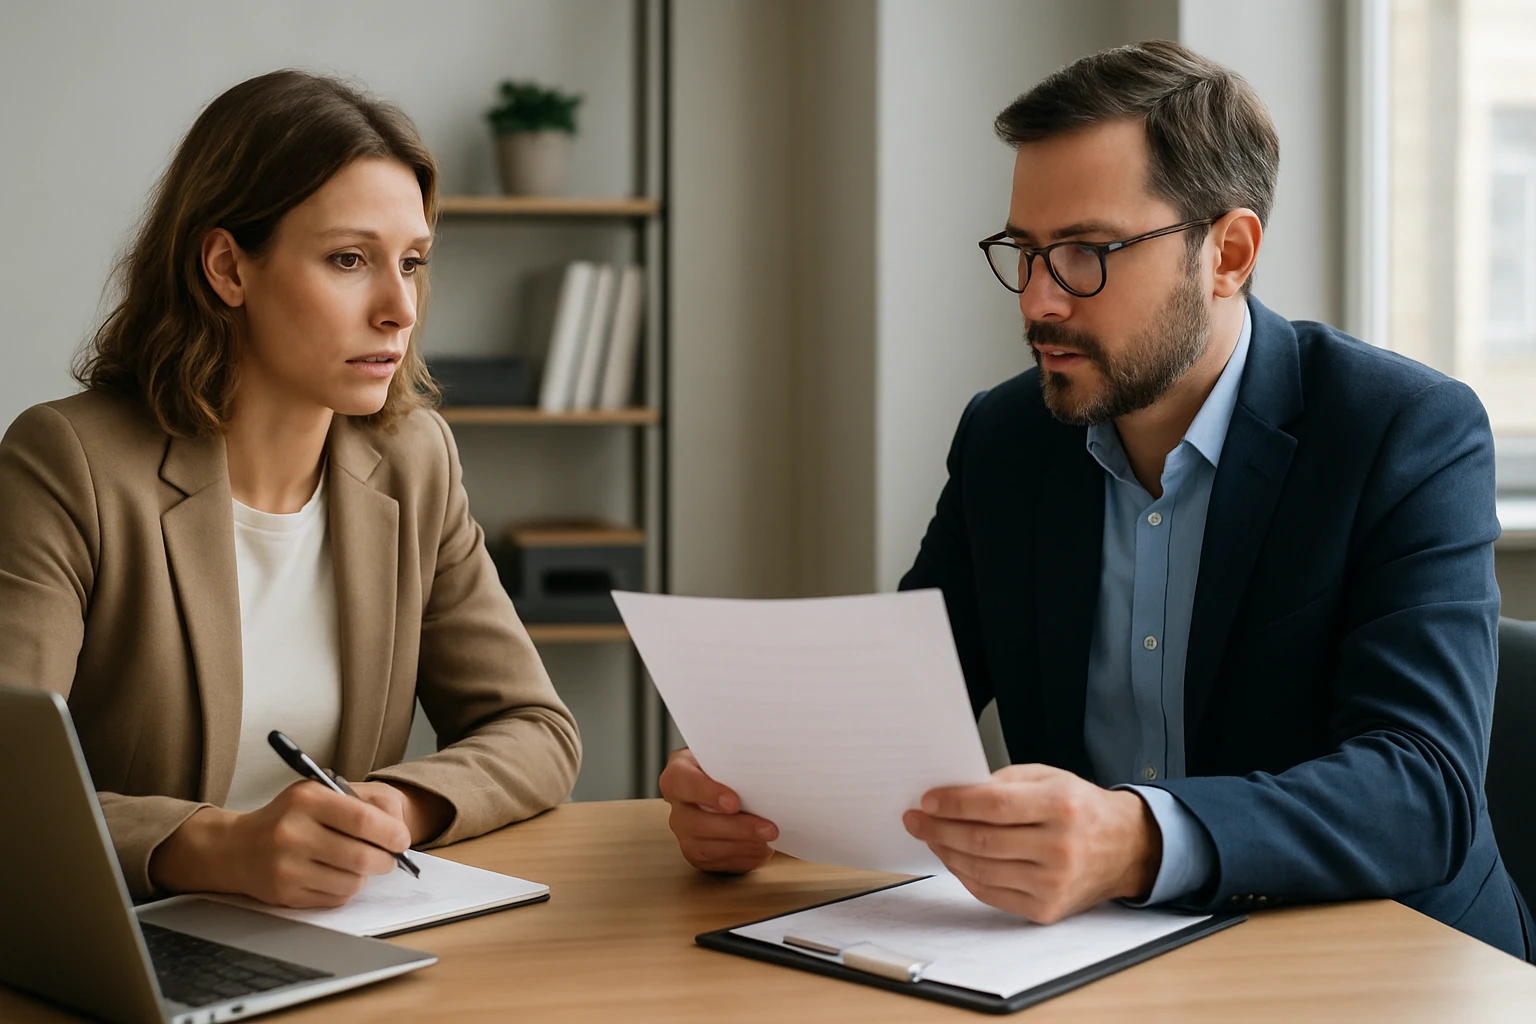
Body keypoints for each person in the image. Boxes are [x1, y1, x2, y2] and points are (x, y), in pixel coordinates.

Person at [659, 40, 1533, 961]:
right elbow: (900, 705)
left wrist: (1135, 838)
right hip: (1098, 957)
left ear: (1227, 253)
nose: (1039, 300)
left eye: (1086, 253)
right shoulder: (1007, 439)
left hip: (1385, 961)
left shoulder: (1403, 430)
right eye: (1025, 252)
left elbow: (1420, 792)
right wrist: (753, 791)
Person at [0, 70, 581, 909]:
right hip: (125, 945)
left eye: (411, 263)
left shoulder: (415, 460)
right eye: (350, 259)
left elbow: (535, 730)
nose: (399, 308)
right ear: (228, 267)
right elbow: (13, 786)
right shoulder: (69, 462)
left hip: (342, 940)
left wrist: (396, 805)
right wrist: (213, 846)